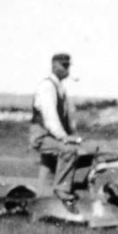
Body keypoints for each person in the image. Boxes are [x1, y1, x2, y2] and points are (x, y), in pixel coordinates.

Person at [30, 53, 83, 211]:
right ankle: (62, 190)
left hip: (51, 136)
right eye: (63, 65)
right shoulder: (47, 86)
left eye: (68, 66)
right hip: (42, 136)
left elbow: (67, 118)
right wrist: (65, 138)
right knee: (69, 151)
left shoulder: (60, 87)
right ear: (54, 66)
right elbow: (50, 117)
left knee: (47, 170)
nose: (67, 69)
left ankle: (42, 204)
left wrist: (73, 135)